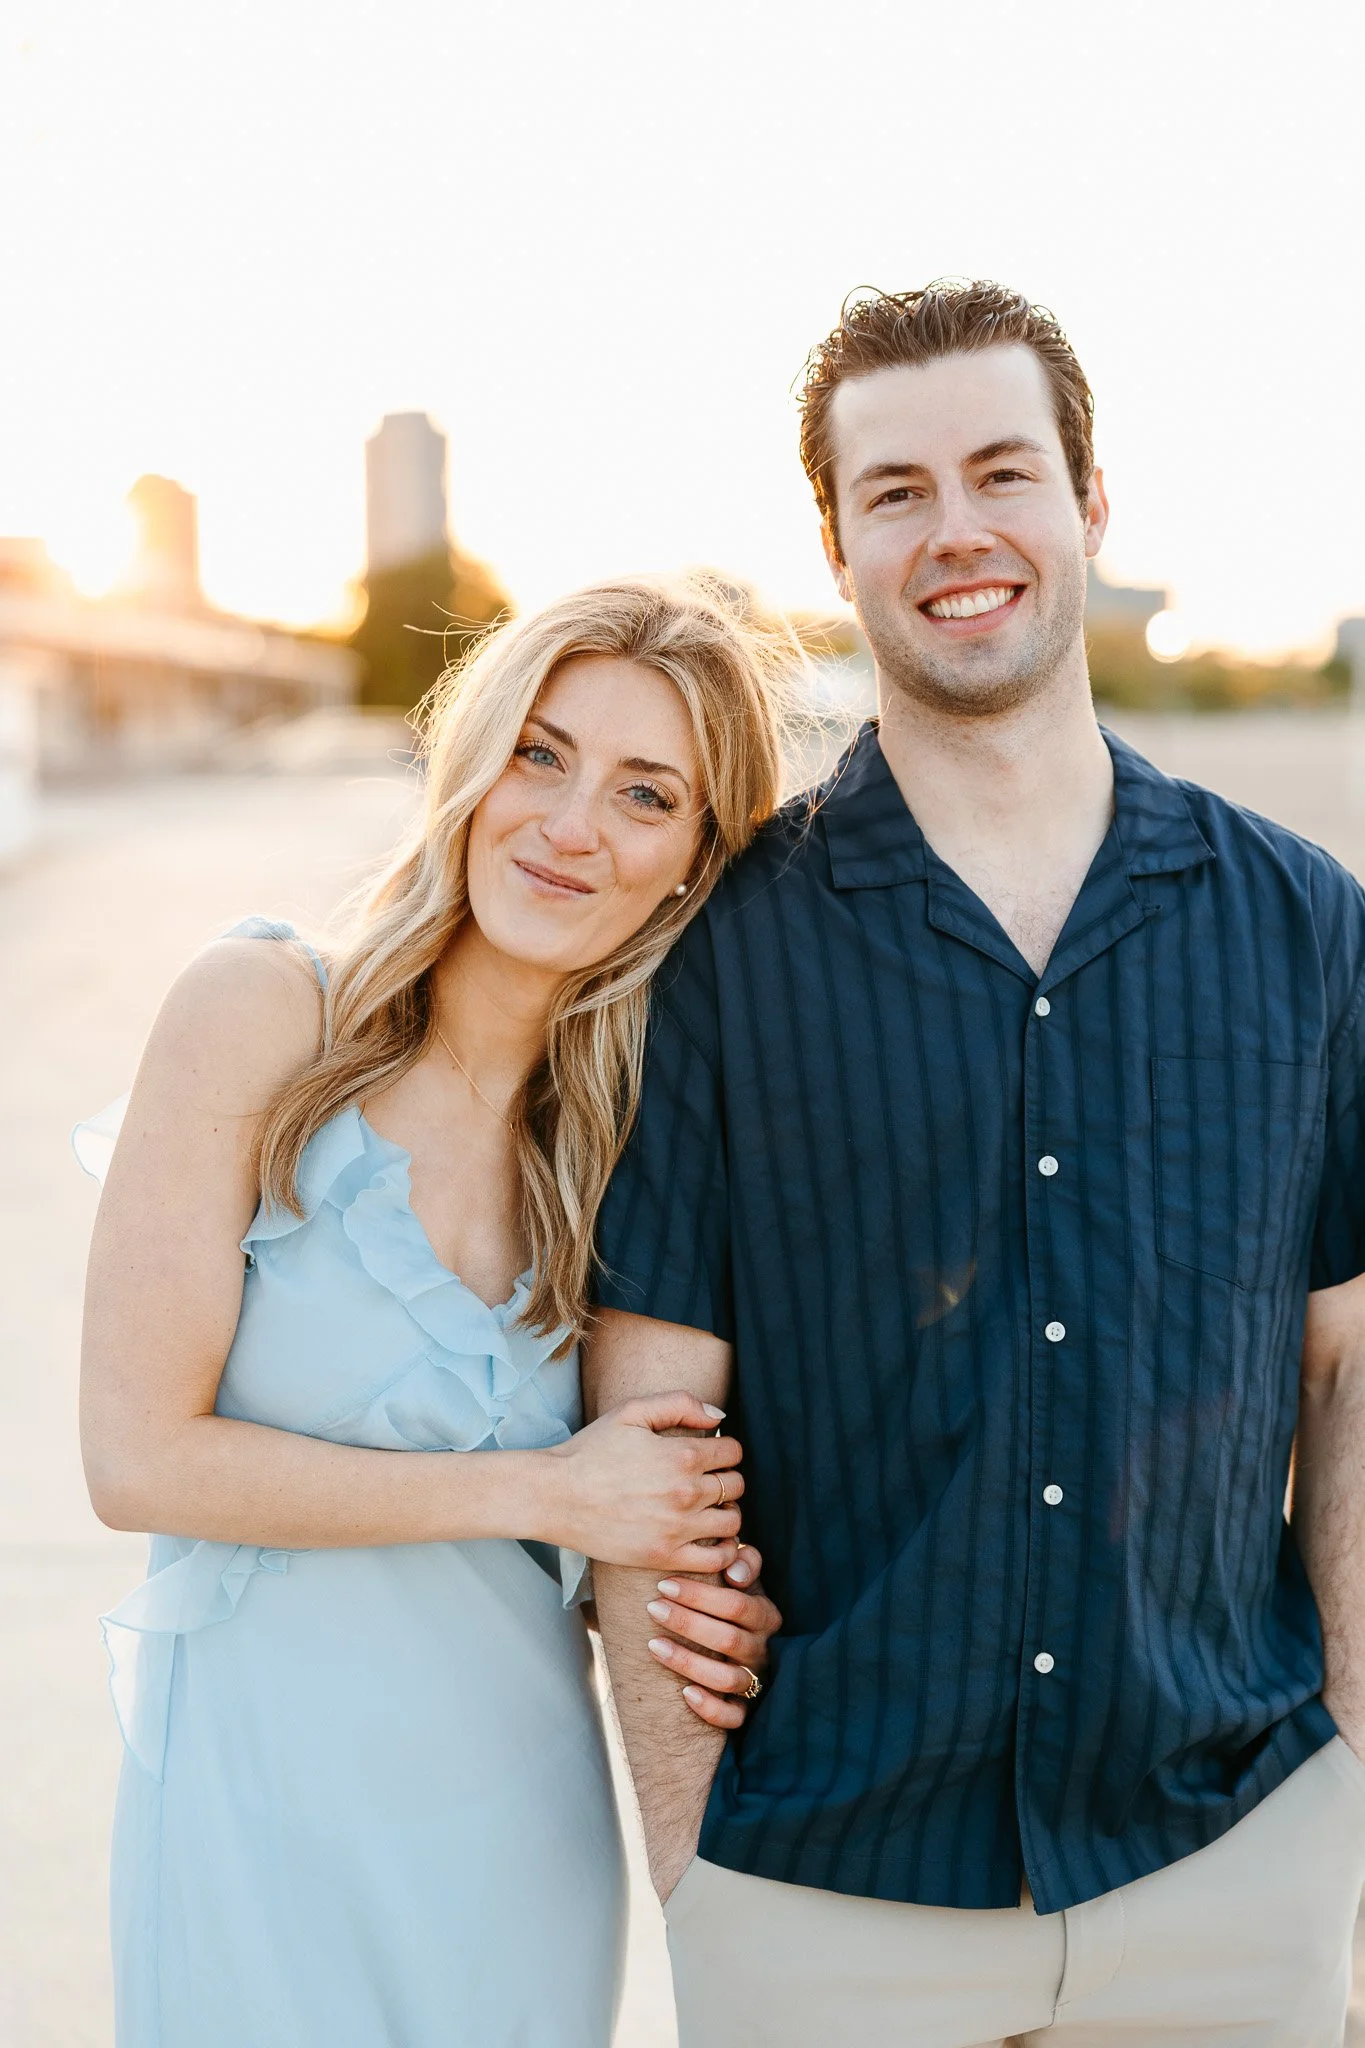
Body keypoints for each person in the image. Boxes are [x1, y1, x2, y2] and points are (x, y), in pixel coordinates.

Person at [589, 283, 1365, 2046]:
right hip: (819, 1893)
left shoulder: (1309, 927)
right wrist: (693, 1870)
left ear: (1088, 505)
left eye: (1003, 472)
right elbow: (652, 1423)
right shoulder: (722, 953)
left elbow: (1348, 1366)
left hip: (1229, 1862)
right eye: (897, 490)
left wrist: (1350, 1789)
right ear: (839, 543)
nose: (958, 533)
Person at [77, 576, 795, 2048]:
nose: (570, 823)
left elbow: (683, 1496)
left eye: (645, 794)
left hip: (513, 1840)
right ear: (470, 767)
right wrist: (544, 1489)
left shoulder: (638, 1156)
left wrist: (731, 1605)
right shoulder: (262, 1015)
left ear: (691, 865)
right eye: (541, 753)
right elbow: (136, 1457)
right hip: (251, 1820)